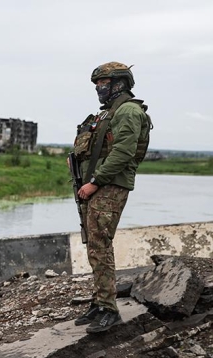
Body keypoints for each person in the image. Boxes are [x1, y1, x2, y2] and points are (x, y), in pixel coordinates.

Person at [71, 62, 152, 333]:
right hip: (101, 184)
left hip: (110, 185)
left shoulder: (128, 111)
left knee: (101, 245)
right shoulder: (109, 113)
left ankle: (109, 309)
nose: (99, 89)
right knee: (94, 244)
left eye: (103, 84)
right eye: (97, 84)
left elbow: (122, 153)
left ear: (118, 83)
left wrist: (94, 183)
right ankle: (99, 301)